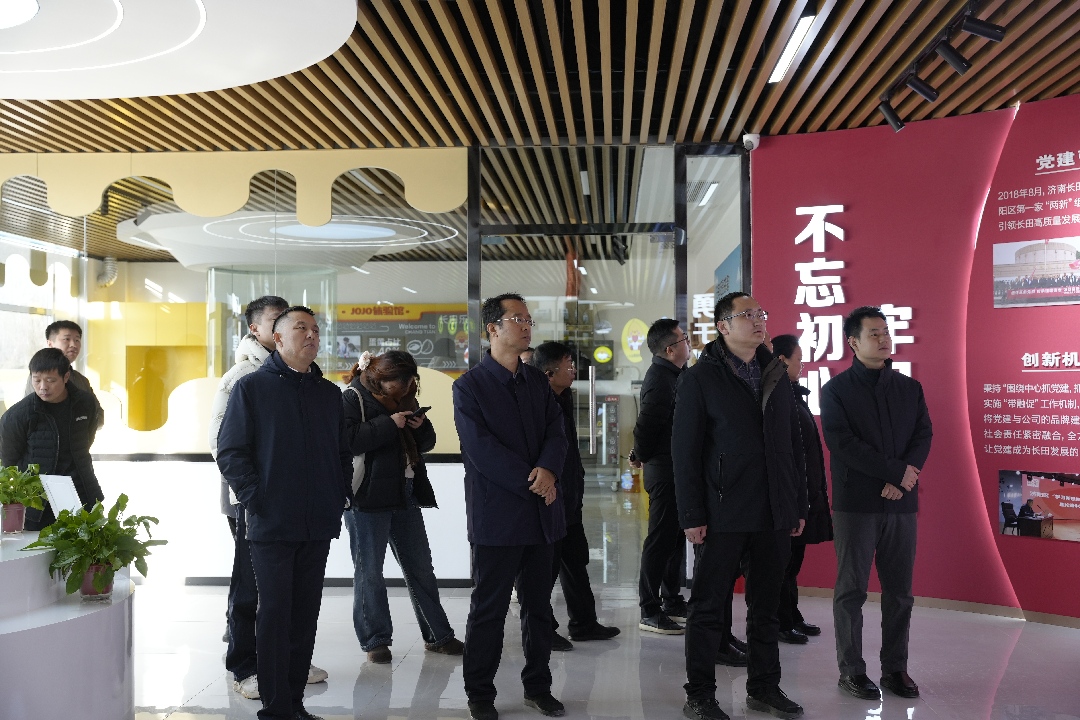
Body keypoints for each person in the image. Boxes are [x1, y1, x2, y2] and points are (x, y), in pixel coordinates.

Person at [672, 292, 806, 720]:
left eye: (760, 313)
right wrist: (692, 514)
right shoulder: (700, 379)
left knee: (766, 607)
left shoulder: (776, 373)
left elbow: (793, 445)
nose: (758, 320)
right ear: (723, 326)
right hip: (721, 511)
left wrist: (796, 504)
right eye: (746, 314)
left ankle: (764, 687)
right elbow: (684, 452)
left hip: (772, 511)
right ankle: (700, 695)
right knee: (708, 607)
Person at [216, 306, 352, 720]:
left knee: (305, 615)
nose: (311, 335)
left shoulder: (328, 394)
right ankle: (275, 710)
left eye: (315, 330)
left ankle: (295, 704)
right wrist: (256, 498)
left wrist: (337, 495)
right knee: (274, 615)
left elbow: (341, 453)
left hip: (317, 522)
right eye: (300, 328)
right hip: (271, 523)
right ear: (277, 338)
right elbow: (230, 451)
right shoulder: (252, 387)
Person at [453, 293, 567, 720]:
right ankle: (480, 693)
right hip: (498, 514)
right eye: (517, 319)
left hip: (541, 515)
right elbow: (481, 450)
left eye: (528, 319)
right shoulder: (469, 386)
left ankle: (538, 687)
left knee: (539, 608)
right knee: (490, 608)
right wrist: (534, 481)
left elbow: (557, 432)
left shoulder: (536, 381)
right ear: (493, 329)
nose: (526, 326)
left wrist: (549, 470)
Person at [822, 306, 932, 702]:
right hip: (856, 504)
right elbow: (842, 443)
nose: (884, 339)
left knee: (900, 592)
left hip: (901, 504)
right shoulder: (836, 391)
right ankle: (851, 670)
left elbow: (923, 435)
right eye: (874, 333)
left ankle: (895, 668)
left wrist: (904, 477)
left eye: (886, 332)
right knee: (851, 590)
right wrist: (895, 473)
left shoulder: (909, 388)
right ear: (853, 342)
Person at [342, 350, 464, 665]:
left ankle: (438, 636)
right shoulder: (353, 398)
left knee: (420, 567)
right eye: (399, 383)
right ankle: (375, 641)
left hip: (405, 492)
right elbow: (347, 441)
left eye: (410, 382)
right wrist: (389, 424)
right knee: (369, 572)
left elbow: (426, 443)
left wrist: (419, 426)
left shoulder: (406, 397)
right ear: (379, 379)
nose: (406, 388)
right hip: (366, 497)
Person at [530, 341, 620, 649]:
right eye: (568, 365)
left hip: (570, 495)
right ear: (549, 373)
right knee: (546, 569)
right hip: (550, 498)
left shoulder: (564, 397)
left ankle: (584, 623)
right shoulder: (537, 404)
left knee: (575, 560)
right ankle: (542, 630)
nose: (573, 370)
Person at [771, 335, 833, 645]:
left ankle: (791, 615)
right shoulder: (779, 399)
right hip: (792, 496)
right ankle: (780, 621)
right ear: (782, 361)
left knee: (794, 559)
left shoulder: (794, 396)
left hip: (805, 493)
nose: (803, 365)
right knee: (784, 562)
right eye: (799, 359)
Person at [631, 318, 691, 635]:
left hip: (675, 468)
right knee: (660, 540)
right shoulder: (660, 378)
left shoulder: (675, 375)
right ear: (670, 349)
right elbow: (646, 424)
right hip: (664, 470)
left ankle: (672, 600)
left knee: (674, 539)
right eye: (684, 339)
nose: (689, 344)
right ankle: (649, 609)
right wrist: (639, 454)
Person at [2, 348, 103, 530]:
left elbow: (86, 439)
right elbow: (9, 460)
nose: (43, 387)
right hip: (38, 501)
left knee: (85, 540)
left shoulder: (84, 403)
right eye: (36, 380)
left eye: (51, 380)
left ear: (66, 377)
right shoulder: (18, 415)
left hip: (80, 490)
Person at [24, 320, 104, 430]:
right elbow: (32, 416)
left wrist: (81, 430)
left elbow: (98, 415)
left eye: (77, 340)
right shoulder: (37, 378)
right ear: (50, 344)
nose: (73, 345)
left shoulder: (82, 380)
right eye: (67, 339)